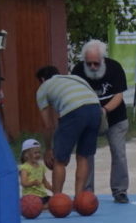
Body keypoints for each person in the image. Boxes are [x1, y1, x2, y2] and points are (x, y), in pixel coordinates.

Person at [71, 40, 132, 203]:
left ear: (103, 60)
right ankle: (87, 192)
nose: (92, 67)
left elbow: (119, 96)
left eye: (96, 64)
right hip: (88, 118)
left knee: (118, 153)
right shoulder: (77, 71)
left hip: (114, 117)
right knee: (86, 154)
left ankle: (120, 190)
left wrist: (103, 111)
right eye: (89, 63)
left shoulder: (115, 68)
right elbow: (74, 96)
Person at [35, 65, 101, 200]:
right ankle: (79, 199)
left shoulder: (43, 87)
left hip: (73, 111)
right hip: (95, 109)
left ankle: (57, 199)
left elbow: (48, 125)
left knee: (59, 160)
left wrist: (48, 149)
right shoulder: (75, 78)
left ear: (42, 79)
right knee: (83, 157)